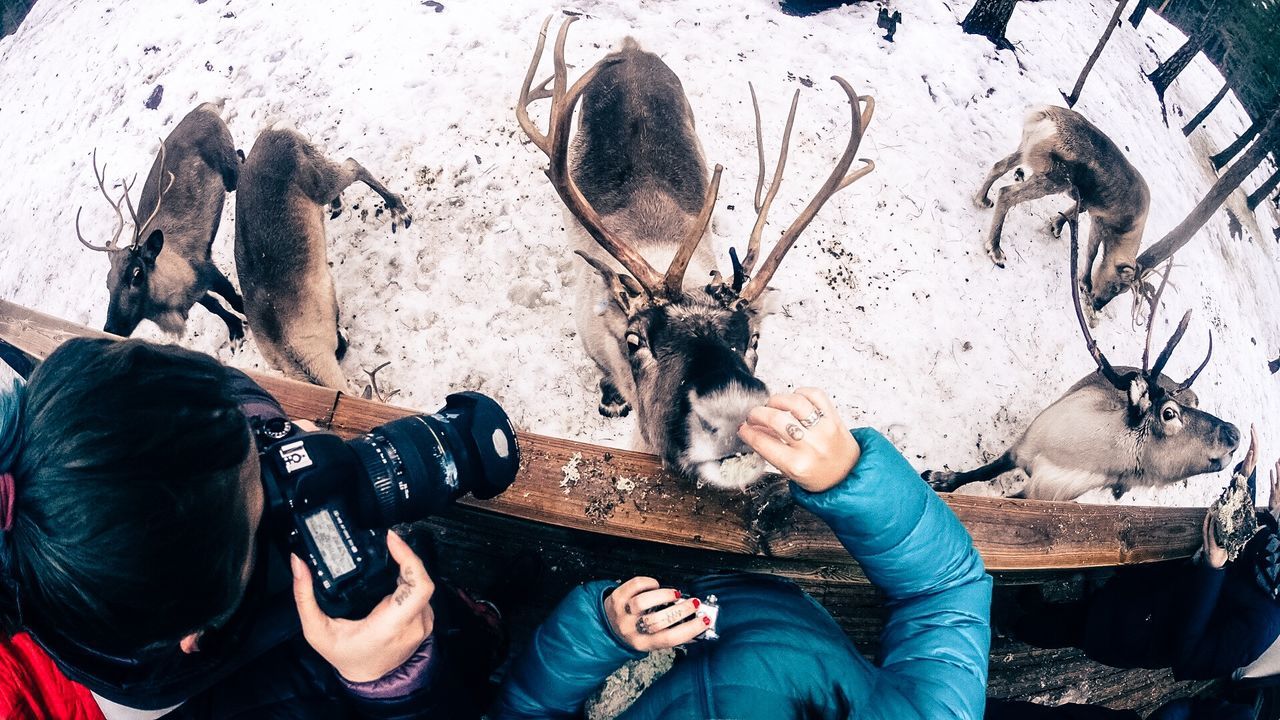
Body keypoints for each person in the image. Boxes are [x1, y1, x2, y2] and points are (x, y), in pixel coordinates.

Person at [0, 337, 501, 719]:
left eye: (263, 457)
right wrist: (390, 681)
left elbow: (205, 389)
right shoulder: (258, 704)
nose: (281, 469)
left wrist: (265, 425)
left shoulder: (60, 455)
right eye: (266, 498)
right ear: (197, 635)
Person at [492, 388, 993, 719]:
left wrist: (599, 632)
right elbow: (945, 590)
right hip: (770, 602)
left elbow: (521, 712)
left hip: (631, 630)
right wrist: (853, 481)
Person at [1010, 459, 1280, 684]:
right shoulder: (1274, 549)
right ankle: (1036, 607)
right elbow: (1243, 539)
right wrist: (1247, 483)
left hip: (1135, 631)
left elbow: (1188, 661)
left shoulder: (1262, 626)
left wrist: (1212, 569)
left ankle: (1013, 625)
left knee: (1068, 629)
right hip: (1145, 591)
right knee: (1081, 608)